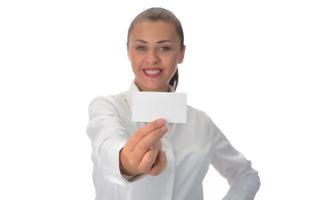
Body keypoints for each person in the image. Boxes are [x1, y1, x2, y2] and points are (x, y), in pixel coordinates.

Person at [87, 7, 260, 200]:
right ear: (129, 51)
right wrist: (126, 163)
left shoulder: (201, 122)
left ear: (181, 53)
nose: (152, 58)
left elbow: (246, 176)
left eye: (165, 48)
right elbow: (107, 146)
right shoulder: (107, 107)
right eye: (141, 47)